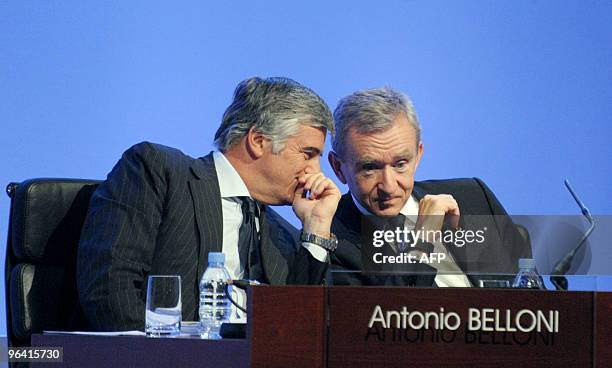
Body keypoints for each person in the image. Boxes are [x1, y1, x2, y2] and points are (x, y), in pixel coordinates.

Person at [77, 77, 341, 331]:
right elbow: (110, 292)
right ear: (258, 141)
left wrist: (316, 228)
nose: (315, 172)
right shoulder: (158, 172)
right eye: (308, 155)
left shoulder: (282, 235)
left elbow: (295, 329)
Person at [327, 87, 531, 287]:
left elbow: (537, 300)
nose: (389, 186)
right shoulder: (331, 248)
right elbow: (394, 315)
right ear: (338, 168)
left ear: (418, 156)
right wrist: (422, 239)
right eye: (370, 168)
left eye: (400, 164)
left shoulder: (474, 197)